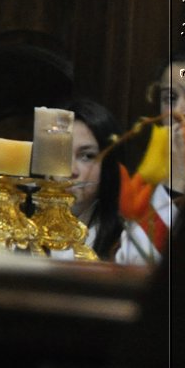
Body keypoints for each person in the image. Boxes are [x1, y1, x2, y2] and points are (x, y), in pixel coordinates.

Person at [68, 97, 151, 265]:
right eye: (59, 153)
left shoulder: (128, 241)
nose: (71, 171)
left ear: (109, 166)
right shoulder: (21, 227)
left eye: (87, 156)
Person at [144, 56, 185, 233]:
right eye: (170, 98)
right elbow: (134, 258)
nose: (178, 111)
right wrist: (174, 183)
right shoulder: (151, 173)